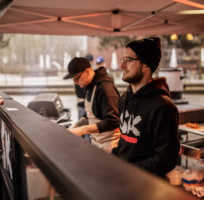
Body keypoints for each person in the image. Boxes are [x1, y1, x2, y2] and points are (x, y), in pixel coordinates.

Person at [112, 37, 180, 177]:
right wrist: (111, 160)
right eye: (122, 59)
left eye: (128, 60)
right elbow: (125, 140)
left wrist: (128, 169)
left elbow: (166, 159)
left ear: (146, 65)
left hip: (148, 187)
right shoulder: (124, 98)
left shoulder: (163, 107)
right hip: (123, 180)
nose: (122, 66)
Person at [63, 57, 121, 153]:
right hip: (97, 143)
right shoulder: (90, 87)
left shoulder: (105, 89)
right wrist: (76, 126)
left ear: (87, 72)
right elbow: (90, 114)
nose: (75, 83)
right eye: (73, 80)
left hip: (110, 146)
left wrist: (83, 130)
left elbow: (114, 121)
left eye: (76, 78)